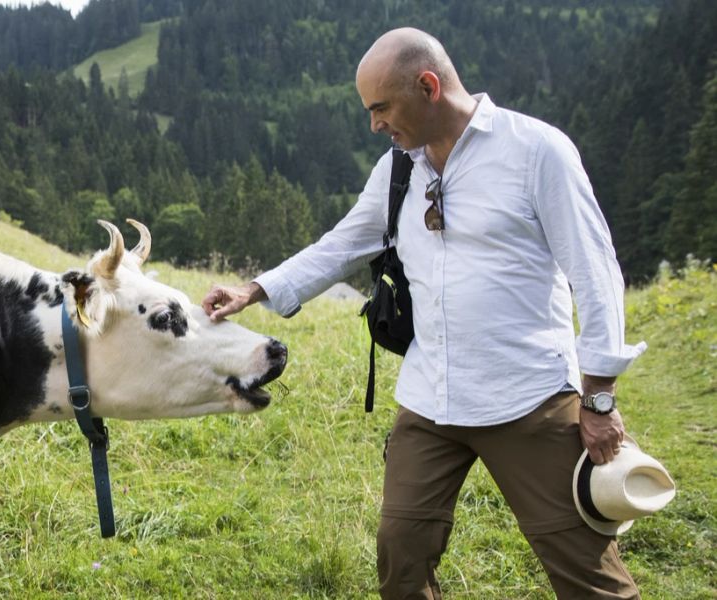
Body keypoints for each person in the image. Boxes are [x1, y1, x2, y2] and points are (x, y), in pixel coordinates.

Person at [202, 27, 647, 599]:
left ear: (429, 86)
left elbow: (595, 271)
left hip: (528, 398)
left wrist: (599, 396)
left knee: (583, 567)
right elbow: (342, 244)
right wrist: (254, 290)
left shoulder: (537, 151)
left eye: (381, 107)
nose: (375, 124)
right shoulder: (399, 169)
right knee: (401, 557)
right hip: (430, 399)